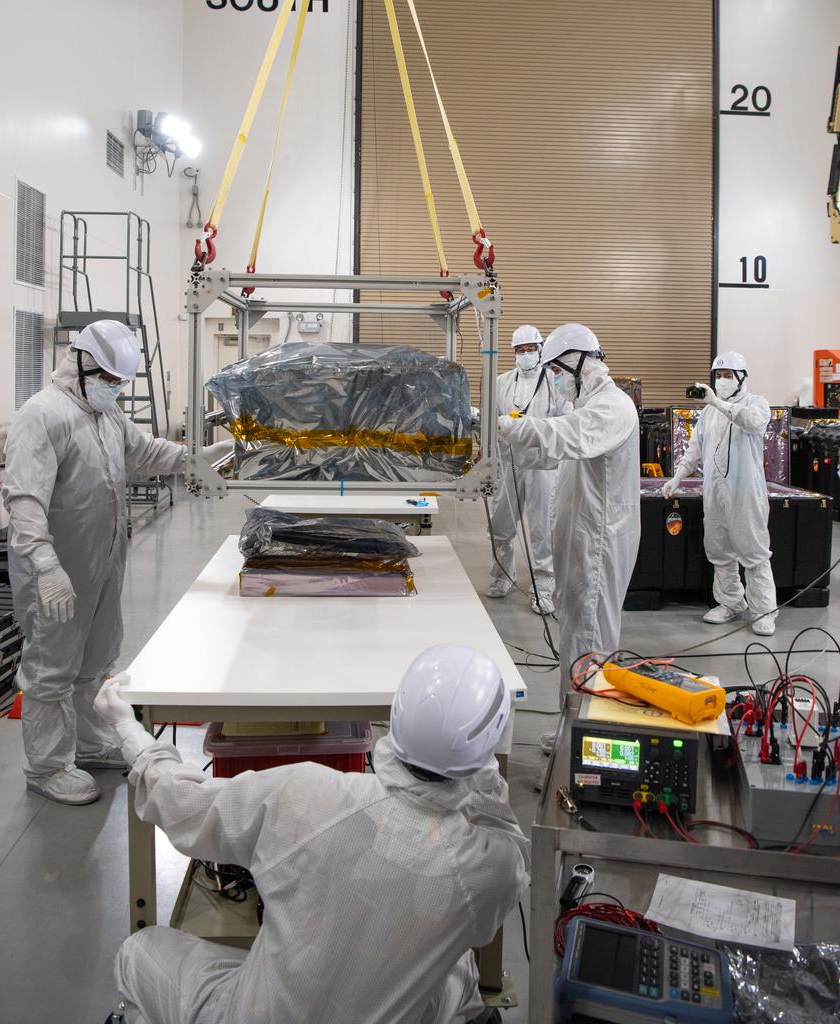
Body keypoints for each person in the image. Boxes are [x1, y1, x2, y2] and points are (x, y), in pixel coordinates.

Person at [94, 644, 531, 1024]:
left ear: (397, 715)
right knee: (456, 971)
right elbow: (500, 826)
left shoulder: (306, 793)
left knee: (140, 951)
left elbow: (184, 806)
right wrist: (483, 766)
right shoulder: (493, 868)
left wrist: (129, 731)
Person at [3, 319, 232, 807]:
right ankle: (46, 767)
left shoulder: (104, 417)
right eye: (109, 380)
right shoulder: (42, 415)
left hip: (101, 560)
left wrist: (198, 458)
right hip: (58, 571)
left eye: (120, 382)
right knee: (51, 668)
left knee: (97, 659)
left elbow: (146, 452)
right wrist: (45, 566)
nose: (117, 390)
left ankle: (88, 745)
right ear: (81, 365)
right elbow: (23, 501)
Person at [498, 324, 640, 702]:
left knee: (589, 636)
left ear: (579, 362)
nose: (555, 381)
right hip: (583, 535)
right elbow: (555, 453)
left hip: (599, 541)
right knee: (576, 629)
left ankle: (584, 727)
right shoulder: (589, 405)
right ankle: (571, 722)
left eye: (557, 372)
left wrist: (520, 428)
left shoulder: (613, 406)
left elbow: (566, 435)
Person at [662, 352, 777, 636]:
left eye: (728, 376)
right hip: (714, 492)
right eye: (718, 376)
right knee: (719, 550)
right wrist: (676, 478)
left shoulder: (756, 403)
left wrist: (717, 401)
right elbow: (695, 450)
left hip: (746, 492)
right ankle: (730, 603)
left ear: (741, 378)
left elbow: (754, 423)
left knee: (753, 551)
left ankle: (764, 611)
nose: (722, 381)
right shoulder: (709, 413)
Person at [487, 324, 566, 615]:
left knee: (542, 528)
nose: (525, 355)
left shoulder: (554, 383)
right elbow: (492, 420)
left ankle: (543, 589)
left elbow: (565, 423)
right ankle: (503, 576)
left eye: (530, 349)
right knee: (501, 522)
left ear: (540, 350)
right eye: (520, 351)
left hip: (543, 466)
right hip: (509, 462)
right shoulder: (503, 382)